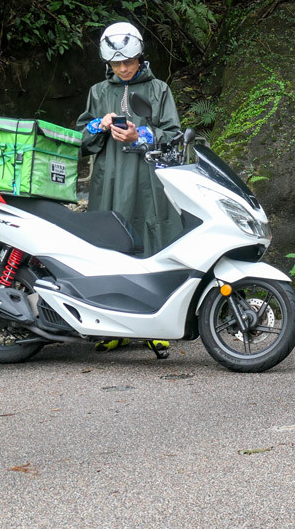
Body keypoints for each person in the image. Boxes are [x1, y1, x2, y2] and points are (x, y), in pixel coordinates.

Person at [76, 21, 182, 357]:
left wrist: (142, 135)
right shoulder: (98, 91)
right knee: (108, 248)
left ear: (140, 56)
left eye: (129, 62)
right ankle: (111, 327)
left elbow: (173, 136)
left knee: (151, 243)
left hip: (147, 182)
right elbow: (81, 139)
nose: (123, 69)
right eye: (116, 64)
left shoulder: (159, 90)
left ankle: (155, 327)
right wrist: (99, 124)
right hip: (108, 180)